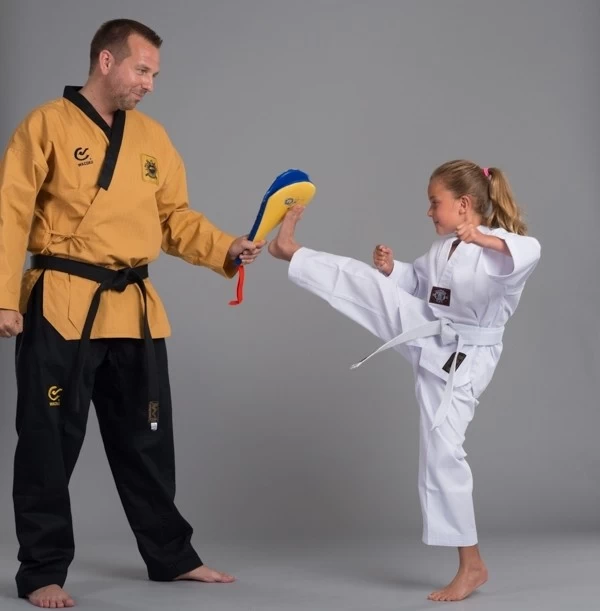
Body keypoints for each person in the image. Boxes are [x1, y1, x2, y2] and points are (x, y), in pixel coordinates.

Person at [0, 18, 265, 608]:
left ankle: (172, 556)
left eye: (154, 74)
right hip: (63, 303)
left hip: (133, 308)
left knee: (147, 440)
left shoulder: (151, 138)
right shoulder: (46, 124)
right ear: (105, 61)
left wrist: (225, 246)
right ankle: (41, 571)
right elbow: (10, 211)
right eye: (141, 70)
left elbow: (175, 218)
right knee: (47, 442)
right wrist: (4, 297)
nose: (149, 83)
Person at [268, 160, 541, 602]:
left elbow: (530, 251)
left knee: (443, 453)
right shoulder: (443, 249)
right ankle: (292, 251)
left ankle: (472, 565)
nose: (429, 212)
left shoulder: (500, 249)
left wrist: (483, 238)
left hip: (465, 358)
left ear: (464, 205)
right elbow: (422, 284)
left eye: (435, 203)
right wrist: (393, 269)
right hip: (431, 333)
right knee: (370, 287)